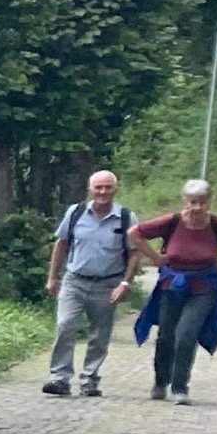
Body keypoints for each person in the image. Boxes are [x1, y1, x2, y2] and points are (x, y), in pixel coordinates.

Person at [129, 178, 217, 403]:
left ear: (210, 201)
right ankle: (161, 381)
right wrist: (155, 257)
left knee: (186, 335)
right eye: (192, 202)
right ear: (185, 201)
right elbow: (134, 233)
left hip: (204, 288)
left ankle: (180, 387)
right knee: (166, 335)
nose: (197, 207)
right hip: (171, 286)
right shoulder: (172, 222)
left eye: (202, 202)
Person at [40, 169, 133, 397]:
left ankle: (90, 379)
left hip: (107, 284)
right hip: (74, 281)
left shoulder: (126, 217)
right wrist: (52, 277)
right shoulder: (76, 212)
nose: (103, 192)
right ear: (90, 189)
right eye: (98, 187)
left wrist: (125, 284)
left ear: (115, 189)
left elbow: (135, 253)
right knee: (65, 325)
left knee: (99, 335)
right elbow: (61, 244)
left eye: (108, 187)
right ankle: (60, 378)